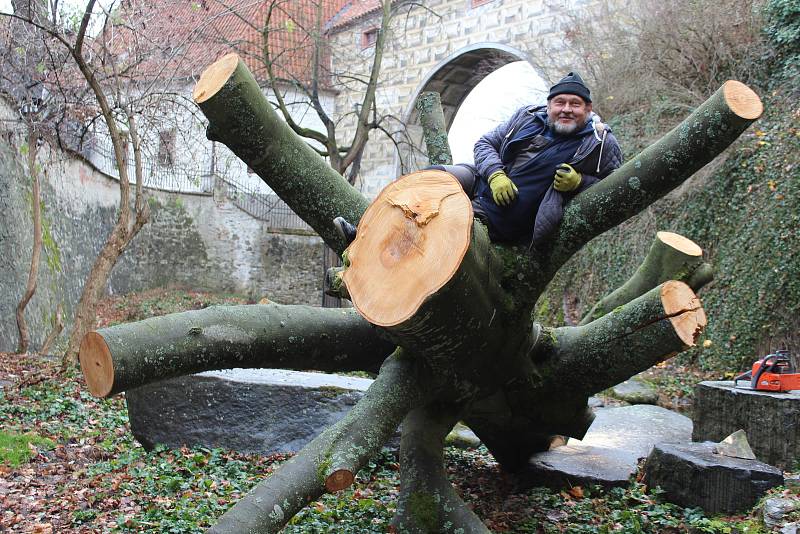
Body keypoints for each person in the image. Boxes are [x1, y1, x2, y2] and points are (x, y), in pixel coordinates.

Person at [334, 72, 622, 249]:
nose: (566, 109)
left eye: (575, 104)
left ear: (588, 108)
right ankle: (362, 231)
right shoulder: (527, 116)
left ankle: (371, 247)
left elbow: (617, 191)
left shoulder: (598, 143)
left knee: (438, 221)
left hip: (504, 218)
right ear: (549, 105)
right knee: (429, 180)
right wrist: (495, 174)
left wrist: (580, 182)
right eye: (560, 102)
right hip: (481, 180)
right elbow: (485, 143)